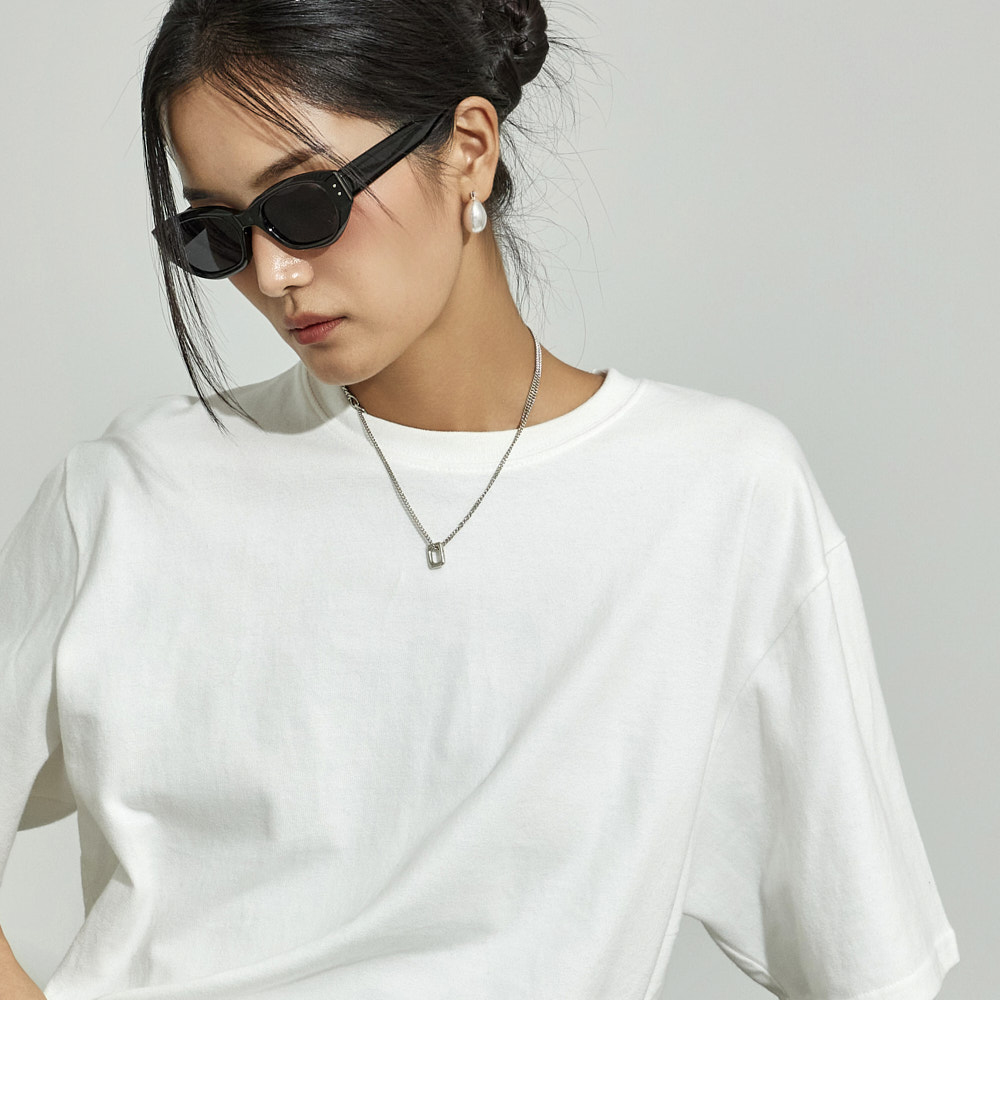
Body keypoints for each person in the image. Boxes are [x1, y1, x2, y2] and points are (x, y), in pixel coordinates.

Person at [0, 0, 959, 1000]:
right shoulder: (129, 495)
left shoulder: (715, 500)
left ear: (468, 148)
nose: (272, 273)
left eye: (307, 205)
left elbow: (871, 988)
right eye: (216, 235)